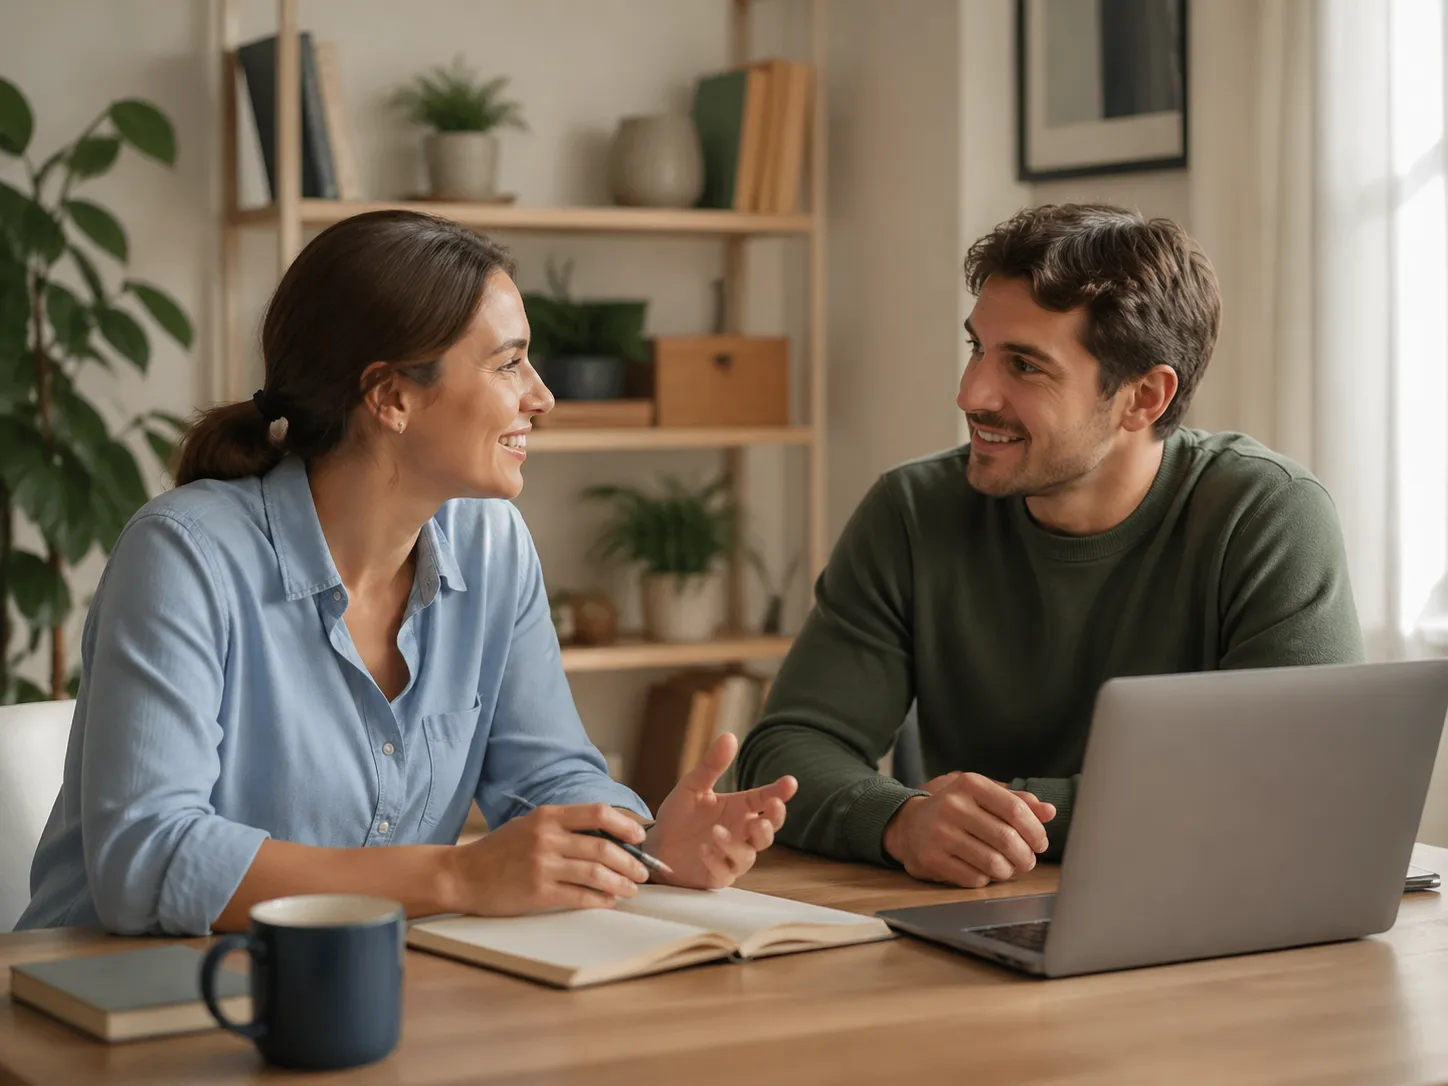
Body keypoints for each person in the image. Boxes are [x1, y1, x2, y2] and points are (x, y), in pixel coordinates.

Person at [19, 210, 797, 935]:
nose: (543, 397)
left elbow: (545, 773)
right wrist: (455, 878)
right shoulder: (184, 555)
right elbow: (145, 858)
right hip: (104, 1010)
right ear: (390, 395)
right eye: (509, 364)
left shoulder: (494, 545)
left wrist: (649, 848)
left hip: (360, 993)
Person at [736, 203, 1362, 890]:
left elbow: (1293, 782)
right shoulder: (912, 513)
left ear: (1143, 397)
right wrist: (901, 820)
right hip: (973, 920)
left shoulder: (1267, 516)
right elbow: (784, 754)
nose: (970, 392)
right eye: (978, 347)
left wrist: (1010, 818)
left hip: (1210, 910)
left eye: (1025, 366)